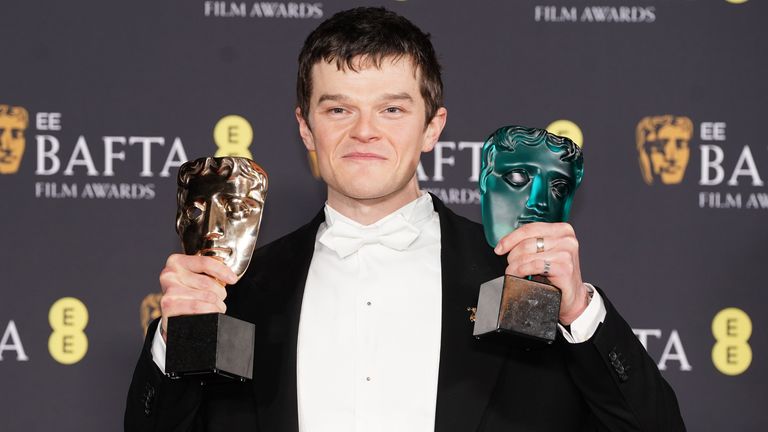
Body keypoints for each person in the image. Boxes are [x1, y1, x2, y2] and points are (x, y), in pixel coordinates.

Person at [126, 7, 685, 431]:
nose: (364, 131)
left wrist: (581, 313)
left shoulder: (522, 281)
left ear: (433, 127)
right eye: (338, 108)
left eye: (391, 109)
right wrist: (175, 341)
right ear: (306, 129)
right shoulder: (239, 291)